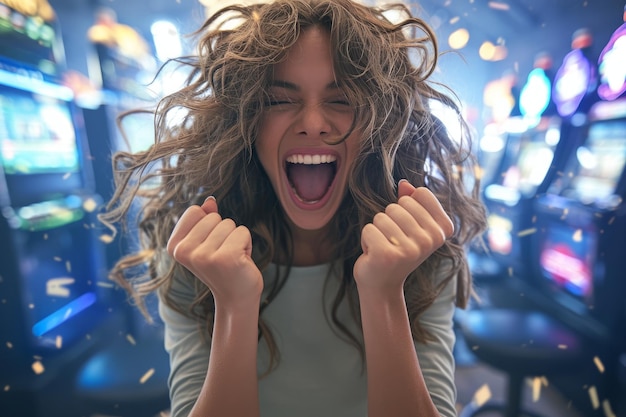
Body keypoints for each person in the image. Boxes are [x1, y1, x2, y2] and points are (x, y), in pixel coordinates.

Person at [100, 1, 487, 416]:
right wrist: (233, 305)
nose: (314, 122)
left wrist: (384, 293)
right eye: (278, 101)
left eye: (343, 100)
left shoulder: (419, 249)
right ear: (243, 121)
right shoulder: (196, 257)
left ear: (381, 123)